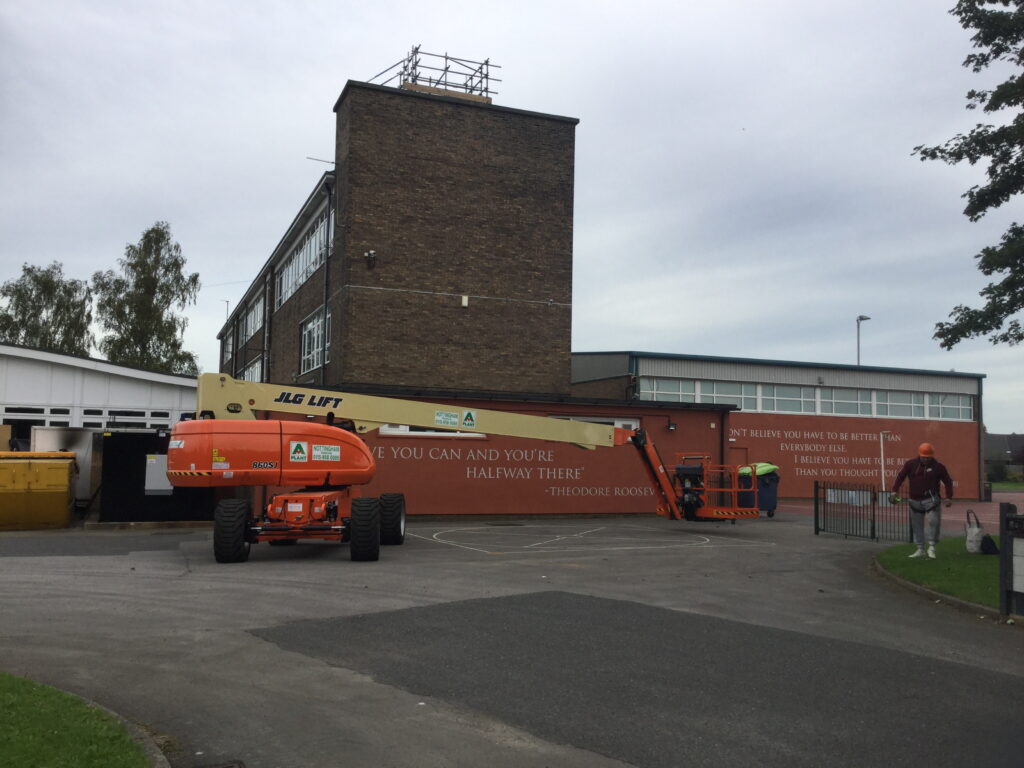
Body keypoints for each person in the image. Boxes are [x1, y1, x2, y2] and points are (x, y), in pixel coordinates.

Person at [890, 442, 953, 560]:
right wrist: (894, 491)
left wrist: (948, 497)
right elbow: (900, 476)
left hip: (931, 499)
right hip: (914, 500)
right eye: (924, 457)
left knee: (933, 521)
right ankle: (920, 548)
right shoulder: (910, 464)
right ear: (919, 455)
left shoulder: (939, 467)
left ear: (932, 456)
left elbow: (948, 481)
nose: (925, 459)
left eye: (928, 457)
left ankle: (932, 546)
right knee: (916, 525)